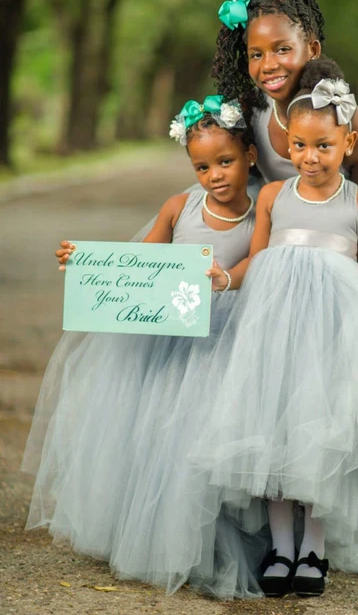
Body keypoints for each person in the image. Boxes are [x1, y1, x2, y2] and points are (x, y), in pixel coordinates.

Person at [186, 60, 358, 597]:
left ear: (348, 142)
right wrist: (223, 280)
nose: (311, 157)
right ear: (288, 148)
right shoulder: (272, 197)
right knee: (272, 427)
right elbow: (256, 261)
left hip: (334, 325)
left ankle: (315, 550)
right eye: (301, 147)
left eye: (324, 147)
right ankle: (281, 547)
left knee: (322, 426)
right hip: (272, 325)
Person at [21, 96, 259, 580]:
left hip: (226, 336)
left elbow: (261, 261)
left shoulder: (264, 210)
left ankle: (211, 536)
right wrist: (86, 263)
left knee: (209, 434)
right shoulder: (180, 207)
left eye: (225, 161)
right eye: (202, 166)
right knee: (162, 430)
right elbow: (139, 264)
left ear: (250, 155)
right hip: (172, 339)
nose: (214, 174)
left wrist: (226, 277)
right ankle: (152, 533)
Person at [212, 0, 358, 407]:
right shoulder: (250, 114)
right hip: (274, 240)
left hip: (341, 244)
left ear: (313, 49)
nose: (268, 64)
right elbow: (226, 182)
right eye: (256, 54)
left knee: (324, 381)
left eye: (282, 49)